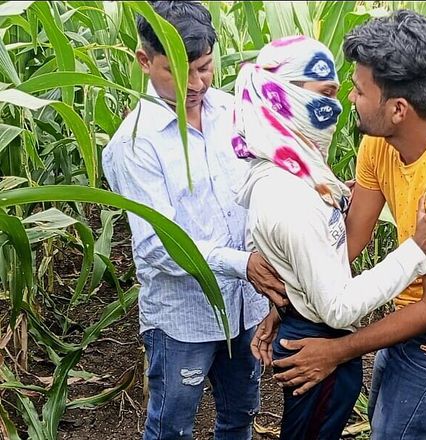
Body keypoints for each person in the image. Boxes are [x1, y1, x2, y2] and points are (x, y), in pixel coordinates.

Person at [271, 10, 426, 439]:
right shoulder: (377, 144)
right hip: (408, 305)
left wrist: (338, 351)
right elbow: (350, 241)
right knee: (385, 423)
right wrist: (285, 300)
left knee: (396, 433)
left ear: (398, 109)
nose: (349, 96)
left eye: (360, 91)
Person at [101, 2, 286, 439]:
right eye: (180, 72)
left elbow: (267, 180)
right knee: (172, 428)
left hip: (248, 309)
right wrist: (242, 264)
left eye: (204, 68)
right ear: (144, 62)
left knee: (240, 415)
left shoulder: (234, 112)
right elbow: (156, 245)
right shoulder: (134, 144)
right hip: (184, 318)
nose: (197, 84)